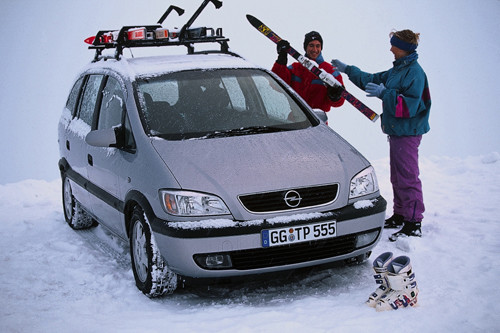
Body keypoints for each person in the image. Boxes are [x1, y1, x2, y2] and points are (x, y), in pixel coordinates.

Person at [332, 29, 431, 241]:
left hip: (408, 132)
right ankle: (401, 214)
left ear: (404, 48)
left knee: (408, 176)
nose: (390, 48)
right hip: (396, 131)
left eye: (394, 45)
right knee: (397, 176)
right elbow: (372, 79)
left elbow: (410, 107)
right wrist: (348, 69)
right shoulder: (397, 70)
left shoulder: (414, 73)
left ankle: (413, 222)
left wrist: (385, 94)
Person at [272, 31, 345, 113]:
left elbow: (340, 102)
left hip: (318, 121)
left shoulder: (331, 71)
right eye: (311, 45)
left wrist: (335, 97)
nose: (315, 49)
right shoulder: (295, 68)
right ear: (305, 47)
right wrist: (281, 60)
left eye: (318, 46)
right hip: (295, 118)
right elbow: (276, 85)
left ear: (321, 48)